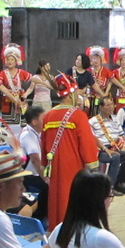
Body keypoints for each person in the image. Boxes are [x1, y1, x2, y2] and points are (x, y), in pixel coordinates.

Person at [41, 85, 101, 228]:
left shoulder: (48, 115)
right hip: (73, 165)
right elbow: (86, 141)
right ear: (69, 95)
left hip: (54, 165)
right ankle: (72, 228)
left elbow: (43, 143)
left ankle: (56, 227)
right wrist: (92, 162)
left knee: (56, 197)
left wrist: (45, 163)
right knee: (72, 195)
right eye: (74, 93)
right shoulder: (78, 115)